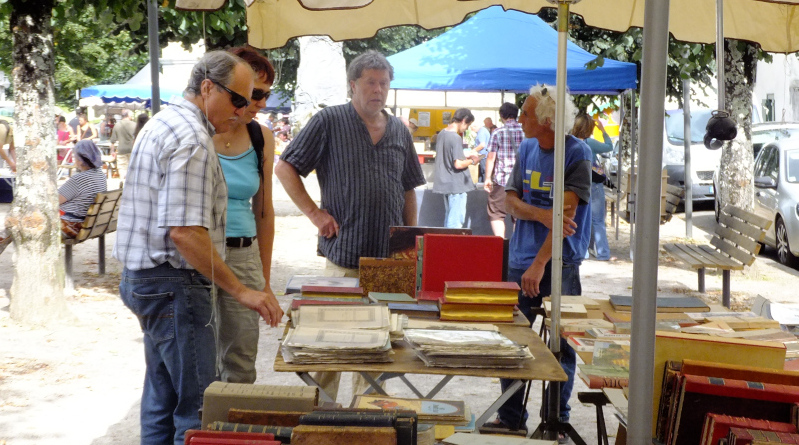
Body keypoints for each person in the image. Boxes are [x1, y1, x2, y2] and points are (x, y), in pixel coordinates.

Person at [113, 50, 283, 445]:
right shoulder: (192, 139)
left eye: (250, 101)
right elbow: (185, 233)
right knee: (199, 409)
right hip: (174, 283)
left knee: (162, 398)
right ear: (207, 88)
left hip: (147, 279)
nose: (242, 111)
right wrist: (240, 289)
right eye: (238, 99)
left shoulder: (163, 123)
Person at [275, 50, 425, 401]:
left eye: (384, 83)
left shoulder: (399, 131)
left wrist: (410, 242)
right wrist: (315, 214)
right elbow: (285, 168)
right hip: (344, 255)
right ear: (352, 85)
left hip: (388, 260)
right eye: (370, 82)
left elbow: (408, 190)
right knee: (331, 343)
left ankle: (368, 416)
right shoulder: (329, 121)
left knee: (379, 344)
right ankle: (320, 416)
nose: (378, 90)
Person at [484, 85, 591, 442]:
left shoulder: (577, 155)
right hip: (520, 261)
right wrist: (543, 215)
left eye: (527, 113)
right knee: (512, 341)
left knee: (560, 345)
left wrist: (540, 264)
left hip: (558, 265)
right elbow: (510, 202)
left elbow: (567, 218)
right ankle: (511, 417)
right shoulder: (527, 147)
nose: (521, 118)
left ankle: (556, 421)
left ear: (547, 120)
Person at [211, 47, 277, 384]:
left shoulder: (260, 136)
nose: (263, 103)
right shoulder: (199, 131)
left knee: (239, 360)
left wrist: (263, 282)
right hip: (200, 254)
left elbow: (264, 213)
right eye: (257, 93)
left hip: (242, 252)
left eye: (266, 94)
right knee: (200, 356)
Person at [571, 113, 614, 261]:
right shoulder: (590, 143)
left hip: (576, 187)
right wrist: (602, 130)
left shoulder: (570, 142)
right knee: (598, 221)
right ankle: (603, 253)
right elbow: (609, 146)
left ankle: (583, 252)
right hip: (594, 186)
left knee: (579, 219)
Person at [432, 108, 479, 228]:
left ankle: (446, 244)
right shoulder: (456, 137)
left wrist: (465, 155)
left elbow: (448, 153)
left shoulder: (442, 133)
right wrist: (472, 160)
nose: (467, 128)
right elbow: (458, 164)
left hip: (445, 182)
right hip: (456, 185)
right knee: (455, 223)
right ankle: (451, 246)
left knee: (449, 219)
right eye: (468, 124)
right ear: (464, 121)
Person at [484, 102, 523, 238]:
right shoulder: (526, 131)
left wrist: (488, 178)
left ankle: (500, 243)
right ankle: (517, 244)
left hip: (502, 179)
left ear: (501, 116)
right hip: (522, 180)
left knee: (496, 213)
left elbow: (491, 157)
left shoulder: (498, 132)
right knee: (519, 214)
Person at [59, 140, 107, 238]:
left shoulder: (79, 179)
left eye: (74, 156)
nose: (74, 159)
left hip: (71, 225)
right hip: (89, 224)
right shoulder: (100, 175)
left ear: (80, 160)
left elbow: (54, 201)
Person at [109, 110, 136, 181]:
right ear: (128, 116)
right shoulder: (134, 124)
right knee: (132, 168)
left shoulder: (117, 125)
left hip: (121, 150)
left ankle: (122, 182)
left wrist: (112, 151)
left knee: (122, 168)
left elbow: (113, 140)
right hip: (132, 149)